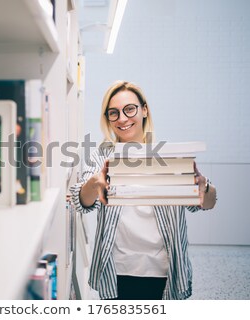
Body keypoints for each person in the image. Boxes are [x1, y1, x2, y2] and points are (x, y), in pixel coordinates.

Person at [70, 80, 217, 300]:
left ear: (144, 110)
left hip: (164, 271)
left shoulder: (168, 157)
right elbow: (80, 201)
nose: (122, 118)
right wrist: (94, 182)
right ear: (107, 119)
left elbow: (207, 203)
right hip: (117, 271)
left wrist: (202, 185)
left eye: (130, 109)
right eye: (114, 113)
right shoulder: (102, 157)